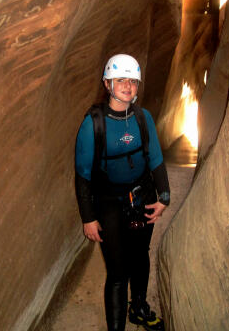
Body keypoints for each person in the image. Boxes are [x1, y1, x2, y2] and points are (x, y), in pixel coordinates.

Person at [75, 54, 170, 331]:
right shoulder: (93, 124)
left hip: (143, 194)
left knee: (140, 256)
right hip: (109, 201)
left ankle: (138, 307)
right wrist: (88, 217)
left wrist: (164, 197)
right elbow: (82, 175)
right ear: (107, 84)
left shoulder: (143, 117)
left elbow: (155, 159)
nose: (127, 86)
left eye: (132, 80)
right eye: (120, 80)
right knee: (117, 272)